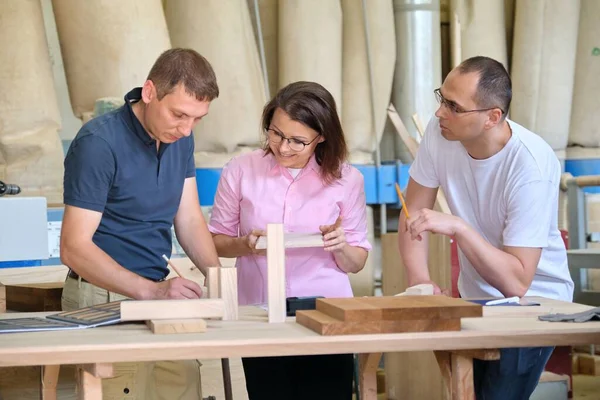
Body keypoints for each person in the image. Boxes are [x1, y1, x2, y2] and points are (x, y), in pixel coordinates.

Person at [397, 55, 574, 399]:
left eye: (453, 106)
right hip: (476, 298)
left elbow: (518, 282)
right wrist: (419, 280)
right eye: (441, 98)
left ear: (493, 117)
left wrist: (460, 228)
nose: (438, 113)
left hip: (535, 305)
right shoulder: (440, 133)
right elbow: (412, 213)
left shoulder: (530, 166)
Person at [60, 48, 222, 399]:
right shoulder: (98, 143)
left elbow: (190, 219)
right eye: (179, 114)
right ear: (149, 92)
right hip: (104, 296)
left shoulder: (181, 137)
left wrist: (221, 280)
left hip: (158, 293)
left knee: (183, 388)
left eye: (197, 119)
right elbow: (73, 247)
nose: (186, 128)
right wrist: (151, 292)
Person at [208, 81, 371, 399]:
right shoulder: (241, 170)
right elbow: (216, 240)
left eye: (298, 141)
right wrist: (246, 244)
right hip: (259, 313)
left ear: (321, 137)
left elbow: (357, 261)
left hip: (328, 314)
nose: (283, 147)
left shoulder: (347, 178)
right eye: (276, 133)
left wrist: (340, 246)